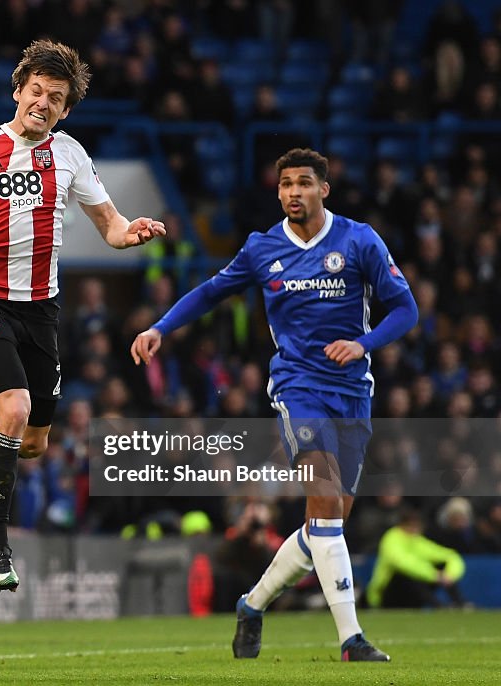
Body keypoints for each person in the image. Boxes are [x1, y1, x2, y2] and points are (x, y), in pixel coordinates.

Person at [130, 148, 418, 662]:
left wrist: (364, 344)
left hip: (353, 391)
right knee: (325, 501)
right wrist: (160, 328)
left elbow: (406, 308)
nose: (292, 192)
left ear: (323, 189)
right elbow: (211, 292)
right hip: (298, 386)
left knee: (324, 526)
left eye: (303, 183)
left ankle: (252, 605)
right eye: (285, 184)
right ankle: (352, 640)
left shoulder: (358, 240)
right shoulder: (262, 249)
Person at [0, 39, 165, 592]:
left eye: (56, 97)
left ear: (66, 108)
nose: (43, 103)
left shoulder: (71, 155)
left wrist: (133, 233)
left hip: (42, 310)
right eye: (36, 92)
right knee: (14, 405)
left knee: (32, 442)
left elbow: (111, 226)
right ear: (18, 91)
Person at [365, 507, 467, 609]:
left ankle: (459, 604)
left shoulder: (417, 540)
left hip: (412, 594)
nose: (415, 529)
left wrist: (450, 575)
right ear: (402, 525)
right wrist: (434, 575)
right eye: (411, 525)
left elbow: (451, 556)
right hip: (385, 594)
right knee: (408, 574)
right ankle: (438, 606)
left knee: (441, 566)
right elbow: (402, 563)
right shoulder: (391, 538)